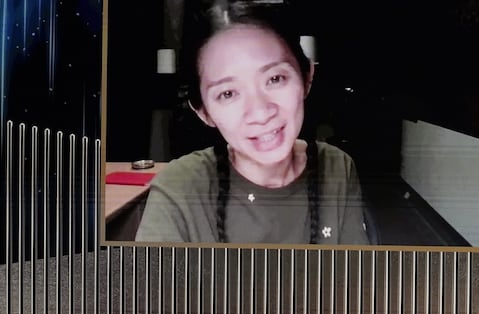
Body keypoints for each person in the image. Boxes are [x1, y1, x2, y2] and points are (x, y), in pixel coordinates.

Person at [135, 0, 370, 245]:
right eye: (228, 94)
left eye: (275, 78)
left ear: (307, 77)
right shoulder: (179, 188)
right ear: (203, 111)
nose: (260, 112)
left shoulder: (337, 168)